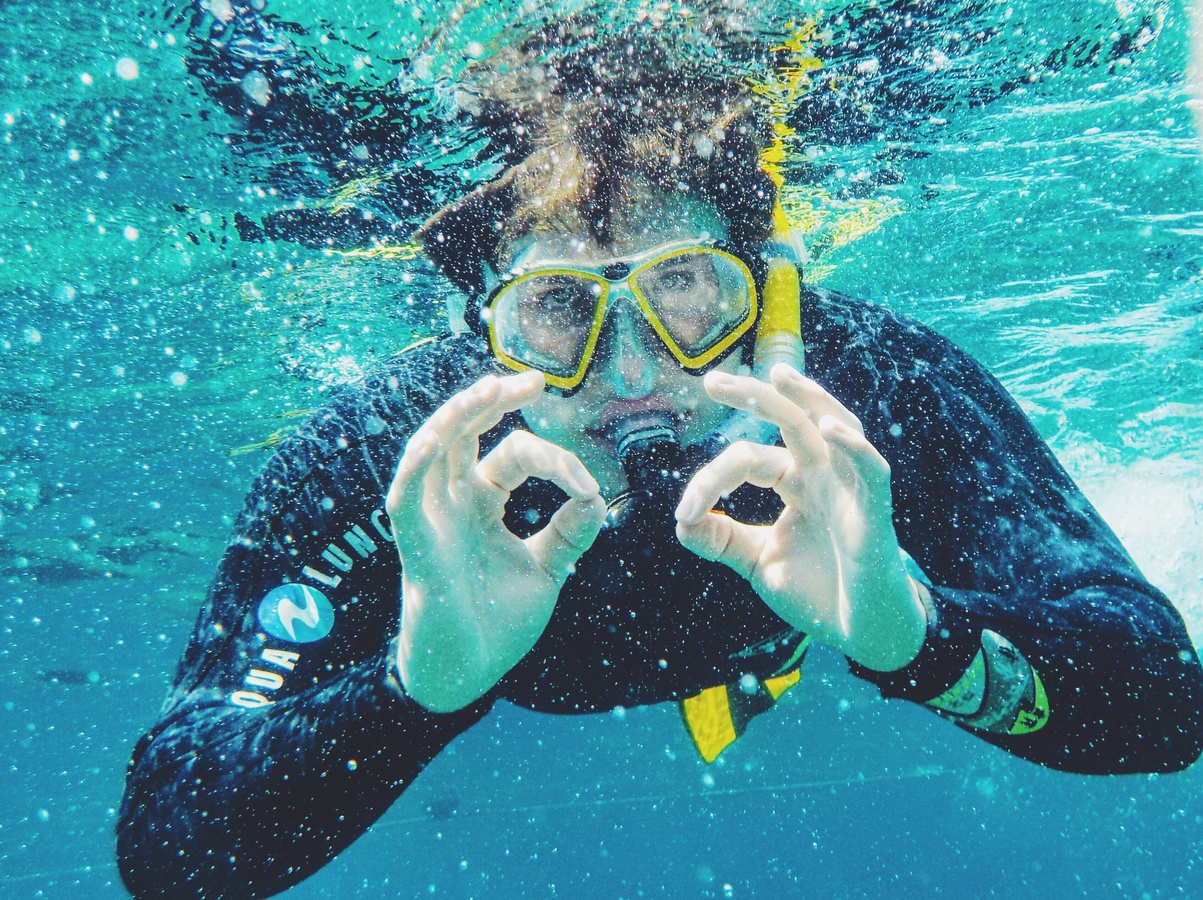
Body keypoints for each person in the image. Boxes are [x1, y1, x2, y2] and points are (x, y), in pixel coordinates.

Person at [117, 23, 1203, 900]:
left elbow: (1164, 701)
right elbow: (171, 840)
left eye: (685, 287)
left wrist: (917, 635)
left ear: (760, 290)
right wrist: (415, 688)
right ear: (481, 331)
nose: (632, 369)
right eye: (557, 309)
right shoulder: (388, 462)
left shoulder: (867, 390)